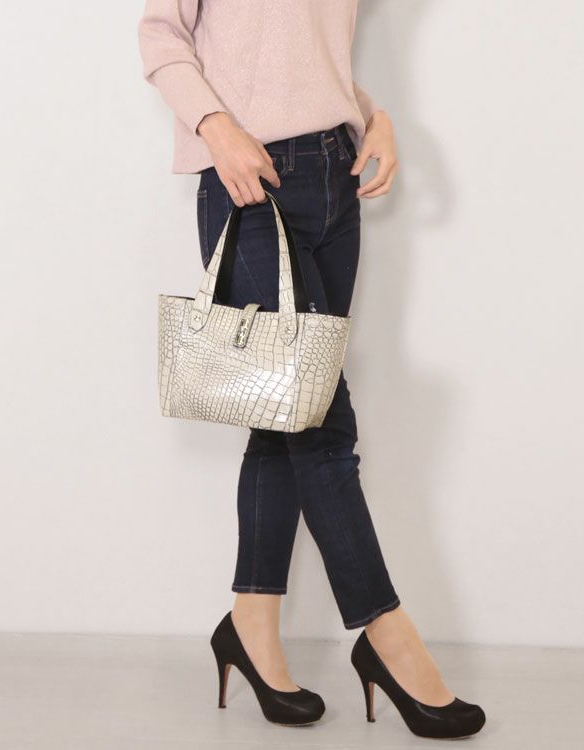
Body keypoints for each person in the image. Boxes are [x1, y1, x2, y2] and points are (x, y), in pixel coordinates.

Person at [138, 0, 485, 738]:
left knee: (283, 413)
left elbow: (302, 54)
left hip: (336, 175)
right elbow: (160, 32)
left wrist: (371, 116)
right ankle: (388, 638)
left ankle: (249, 625)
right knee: (322, 424)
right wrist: (216, 127)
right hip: (251, 177)